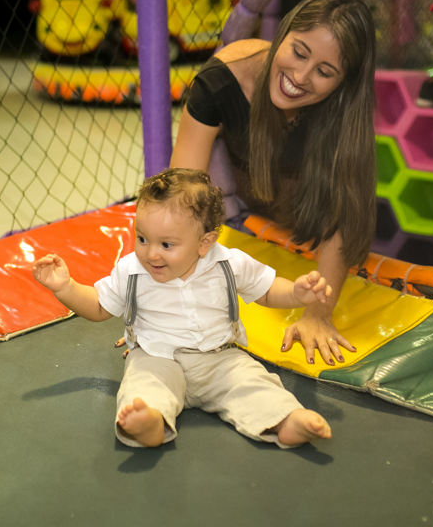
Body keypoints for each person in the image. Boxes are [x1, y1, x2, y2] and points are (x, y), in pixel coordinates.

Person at [33, 168, 333, 449]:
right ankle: (150, 421)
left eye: (166, 245)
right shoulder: (131, 270)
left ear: (205, 242)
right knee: (142, 386)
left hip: (220, 358)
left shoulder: (229, 263)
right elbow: (98, 306)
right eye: (142, 238)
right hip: (156, 358)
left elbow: (267, 290)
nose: (151, 253)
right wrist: (65, 287)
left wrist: (296, 293)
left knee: (253, 382)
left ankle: (286, 419)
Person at [169, 0, 378, 368]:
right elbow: (180, 194)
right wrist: (166, 291)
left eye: (324, 72)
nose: (300, 76)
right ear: (282, 34)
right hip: (247, 192)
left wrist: (317, 313)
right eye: (298, 52)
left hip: (302, 206)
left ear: (342, 84)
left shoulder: (343, 113)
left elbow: (344, 214)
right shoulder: (221, 83)